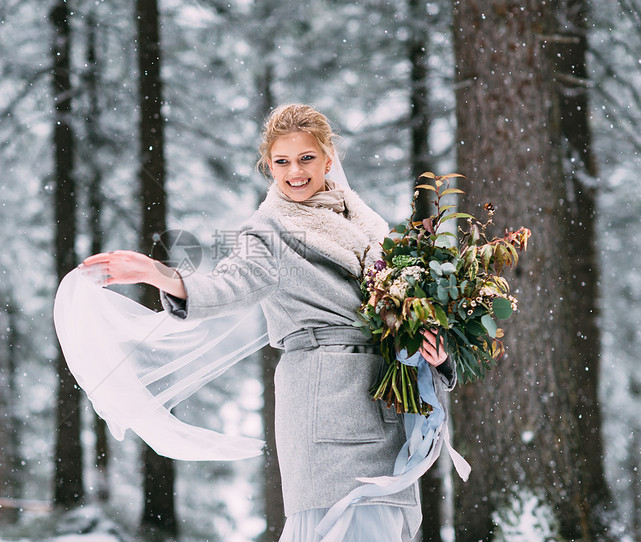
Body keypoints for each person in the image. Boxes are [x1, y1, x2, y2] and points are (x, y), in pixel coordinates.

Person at [73, 104, 456, 541]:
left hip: (385, 405)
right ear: (268, 165)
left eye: (306, 158)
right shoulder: (269, 233)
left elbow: (400, 319)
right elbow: (228, 285)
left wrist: (436, 357)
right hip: (324, 402)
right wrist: (159, 274)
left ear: (329, 159)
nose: (295, 172)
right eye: (282, 161)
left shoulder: (369, 225)